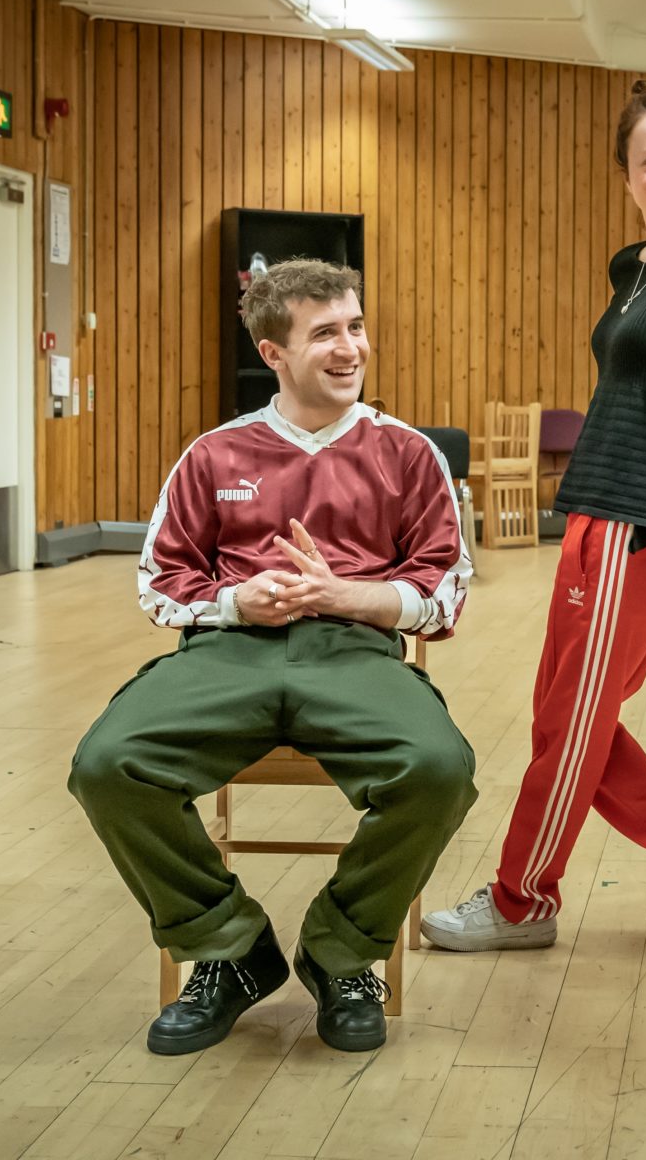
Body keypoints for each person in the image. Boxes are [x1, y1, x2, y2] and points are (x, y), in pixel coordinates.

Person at [69, 257, 475, 1054]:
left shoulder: (409, 454)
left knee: (440, 770)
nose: (350, 348)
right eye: (325, 333)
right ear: (273, 353)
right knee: (106, 765)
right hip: (228, 652)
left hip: (353, 653)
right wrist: (233, 601)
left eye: (355, 327)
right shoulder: (214, 455)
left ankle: (341, 953)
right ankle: (228, 947)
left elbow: (445, 590)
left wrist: (344, 596)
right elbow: (159, 582)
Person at [423, 80, 646, 955]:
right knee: (564, 710)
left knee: (575, 713)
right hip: (596, 504)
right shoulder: (632, 269)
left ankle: (520, 901)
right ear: (626, 173)